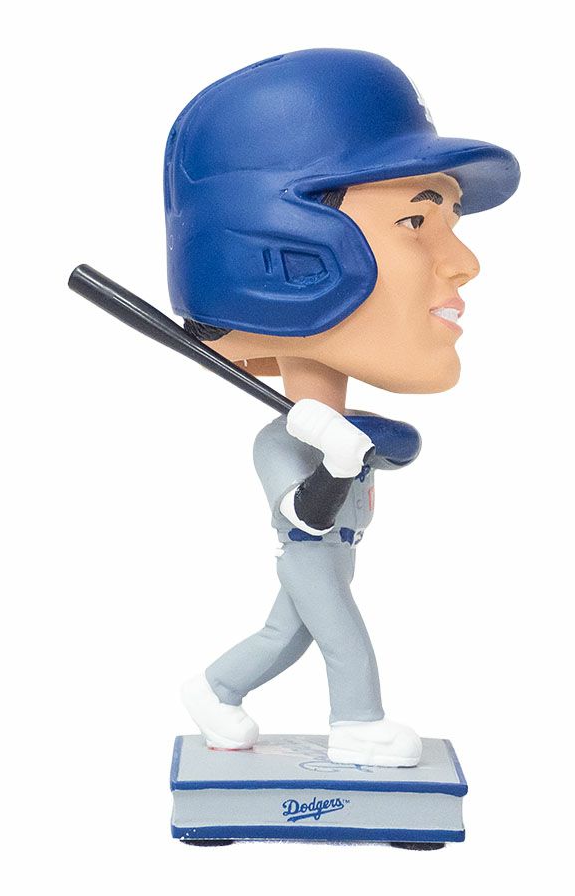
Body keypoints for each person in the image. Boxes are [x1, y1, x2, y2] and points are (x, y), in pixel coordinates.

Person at [165, 49, 519, 767]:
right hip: (312, 555)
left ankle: (214, 689)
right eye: (416, 221)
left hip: (340, 551)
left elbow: (380, 458)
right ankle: (358, 724)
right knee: (344, 639)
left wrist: (350, 444)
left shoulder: (333, 427)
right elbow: (303, 516)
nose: (465, 261)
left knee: (283, 636)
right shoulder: (282, 441)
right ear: (293, 253)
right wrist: (333, 459)